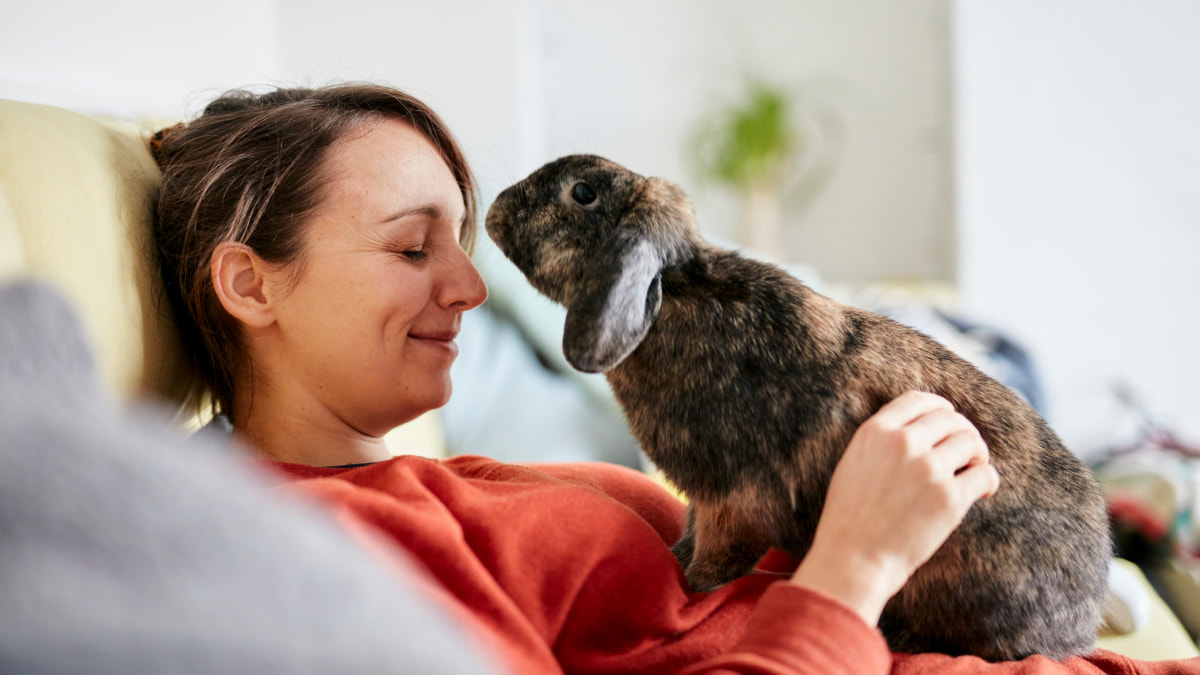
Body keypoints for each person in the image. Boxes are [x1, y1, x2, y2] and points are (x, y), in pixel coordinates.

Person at [150, 84, 1193, 675]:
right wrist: (857, 566)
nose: (470, 284)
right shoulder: (331, 551)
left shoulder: (468, 483)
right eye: (414, 249)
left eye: (461, 243)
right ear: (250, 283)